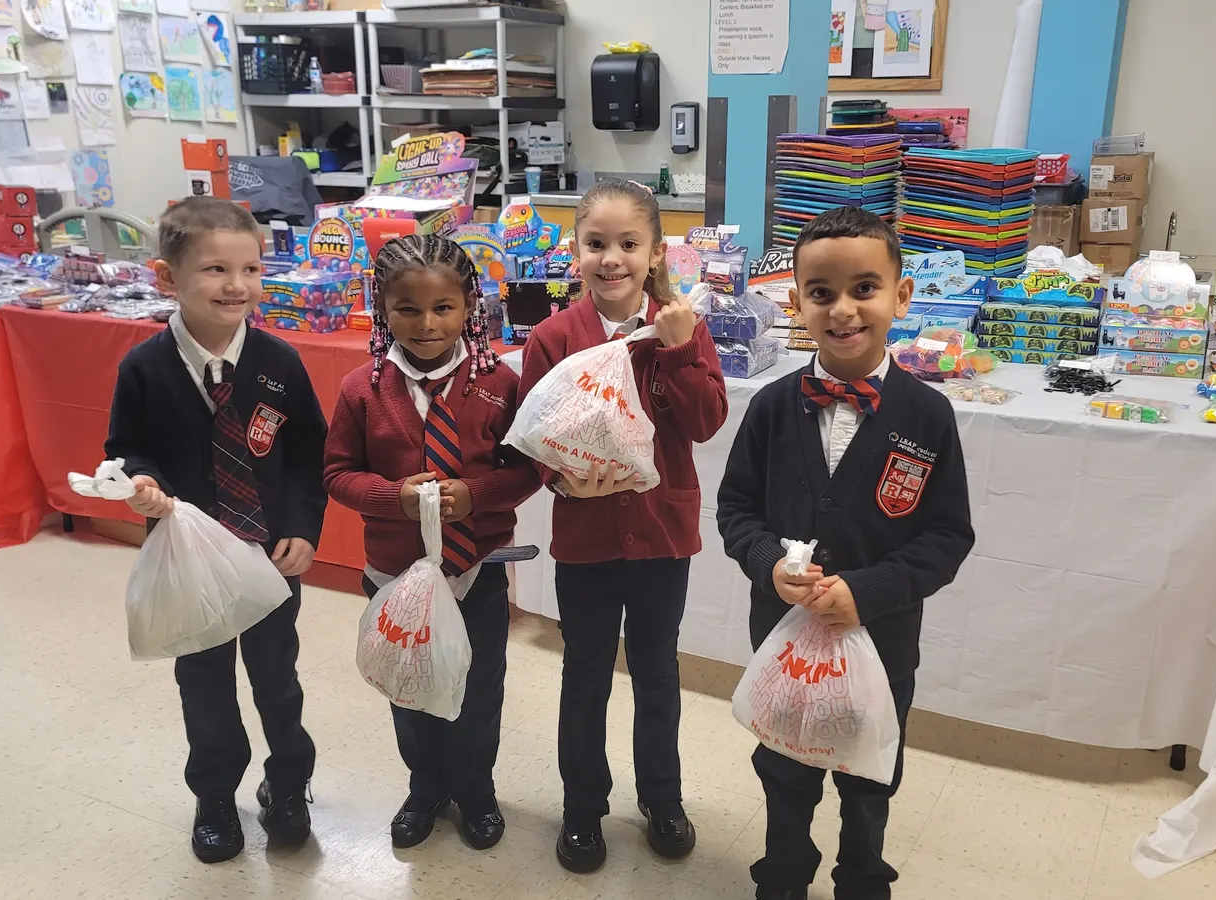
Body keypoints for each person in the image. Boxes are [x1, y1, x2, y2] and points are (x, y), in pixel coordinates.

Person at [716, 205, 975, 900]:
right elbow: (735, 510)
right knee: (784, 769)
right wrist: (769, 561)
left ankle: (863, 878)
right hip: (783, 641)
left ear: (900, 296)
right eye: (822, 293)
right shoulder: (771, 407)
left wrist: (870, 591)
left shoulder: (927, 415)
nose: (844, 310)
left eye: (865, 288)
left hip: (882, 643)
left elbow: (948, 536)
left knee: (869, 776)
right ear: (795, 301)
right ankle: (783, 874)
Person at [105, 196, 328, 863]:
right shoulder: (142, 369)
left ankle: (288, 786)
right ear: (166, 277)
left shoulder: (278, 362)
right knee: (202, 685)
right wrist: (140, 482)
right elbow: (126, 449)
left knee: (277, 682)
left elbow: (308, 454)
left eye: (251, 269)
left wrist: (301, 527)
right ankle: (213, 794)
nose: (237, 286)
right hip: (187, 563)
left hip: (267, 559)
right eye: (215, 270)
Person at [517, 179, 729, 873]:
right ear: (575, 250)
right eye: (596, 244)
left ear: (655, 252)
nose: (612, 259)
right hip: (586, 539)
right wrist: (561, 479)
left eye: (628, 245)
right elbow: (532, 437)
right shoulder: (553, 338)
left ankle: (661, 799)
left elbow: (704, 423)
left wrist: (677, 350)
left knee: (657, 672)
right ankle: (583, 810)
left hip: (662, 536)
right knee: (584, 675)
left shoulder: (680, 326)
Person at [323, 234, 539, 851]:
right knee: (409, 681)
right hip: (394, 571)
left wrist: (477, 494)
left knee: (479, 685)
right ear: (381, 307)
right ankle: (425, 786)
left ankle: (475, 788)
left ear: (469, 305)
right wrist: (391, 495)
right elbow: (337, 472)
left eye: (443, 307)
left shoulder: (499, 382)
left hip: (476, 569)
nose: (425, 323)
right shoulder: (360, 390)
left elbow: (527, 469)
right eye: (407, 309)